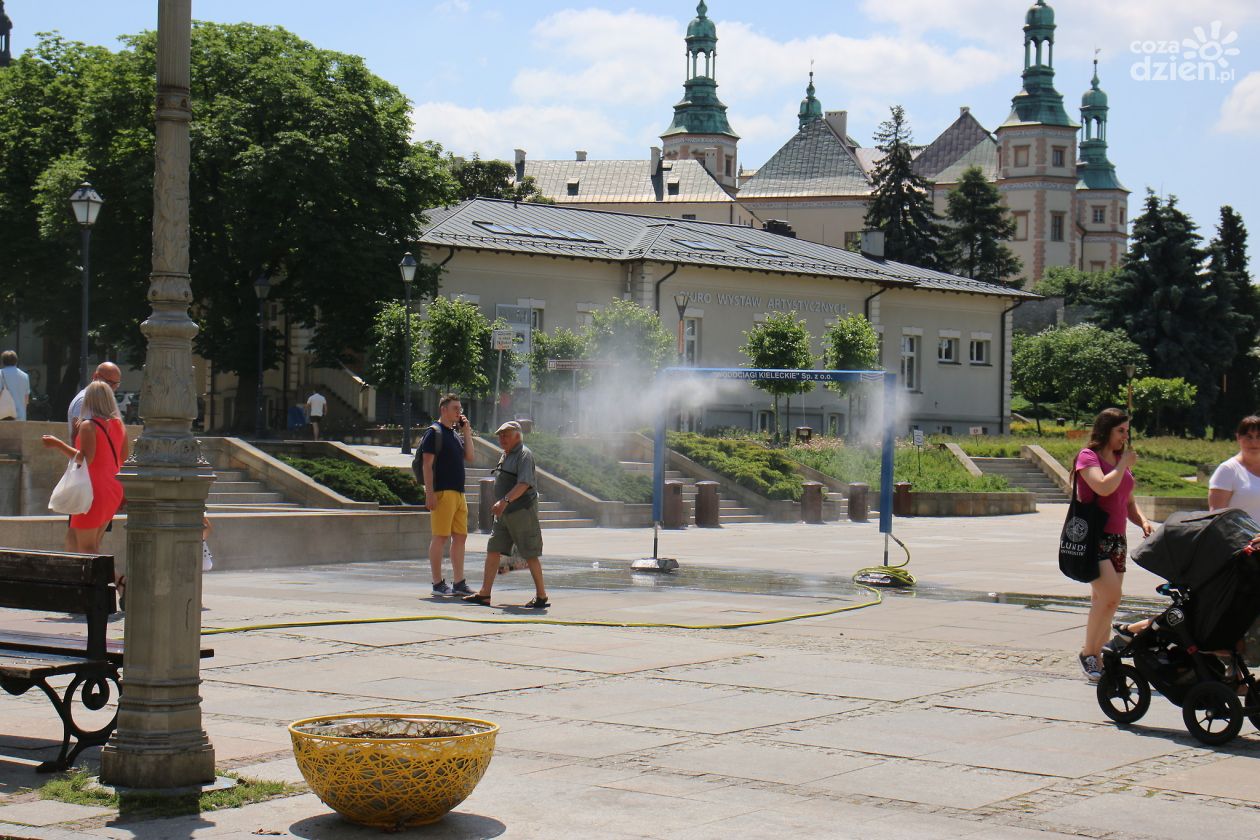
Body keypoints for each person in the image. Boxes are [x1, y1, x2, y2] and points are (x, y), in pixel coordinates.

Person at [1074, 407, 1152, 682]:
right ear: (1106, 430)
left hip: (1117, 539)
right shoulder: (1088, 457)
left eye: (1127, 431)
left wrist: (1142, 520)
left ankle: (1098, 656)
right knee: (1110, 597)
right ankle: (1088, 654)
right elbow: (1103, 487)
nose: (1125, 436)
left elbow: (1127, 501)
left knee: (1104, 601)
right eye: (1121, 431)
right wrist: (1123, 466)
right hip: (1093, 537)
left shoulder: (1120, 461)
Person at [41, 381, 129, 591]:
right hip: (113, 488)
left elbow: (84, 459)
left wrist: (57, 444)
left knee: (87, 548)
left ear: (89, 400)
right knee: (88, 543)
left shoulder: (89, 425)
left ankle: (120, 581)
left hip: (92, 490)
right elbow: (122, 457)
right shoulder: (119, 426)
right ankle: (85, 586)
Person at [464, 420, 548, 609]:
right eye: (500, 435)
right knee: (493, 549)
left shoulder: (524, 454)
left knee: (530, 553)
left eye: (506, 435)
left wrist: (504, 501)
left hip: (521, 512)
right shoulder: (506, 454)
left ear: (517, 436)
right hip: (504, 514)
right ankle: (485, 594)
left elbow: (524, 483)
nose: (502, 439)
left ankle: (541, 596)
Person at [418, 394, 474, 596]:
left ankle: (459, 582)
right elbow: (427, 464)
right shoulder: (435, 432)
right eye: (455, 408)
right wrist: (429, 492)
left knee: (460, 537)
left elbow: (470, 456)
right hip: (443, 492)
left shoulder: (454, 434)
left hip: (459, 493)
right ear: (444, 409)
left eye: (460, 408)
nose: (459, 412)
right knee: (440, 537)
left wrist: (466, 431)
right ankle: (437, 583)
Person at [1208, 415, 1260, 520]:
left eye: (1259, 436)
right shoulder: (1228, 470)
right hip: (1241, 536)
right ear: (1238, 438)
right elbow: (1216, 518)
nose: (1254, 442)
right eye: (1249, 436)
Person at [68, 361, 122, 439]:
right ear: (95, 376)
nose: (112, 388)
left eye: (116, 384)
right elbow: (78, 442)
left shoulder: (107, 400)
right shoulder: (84, 401)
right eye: (109, 383)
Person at [0, 350, 30, 421]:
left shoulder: (1, 374)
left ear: (3, 361)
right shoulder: (25, 376)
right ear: (16, 361)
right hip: (20, 416)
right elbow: (26, 399)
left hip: (3, 416)